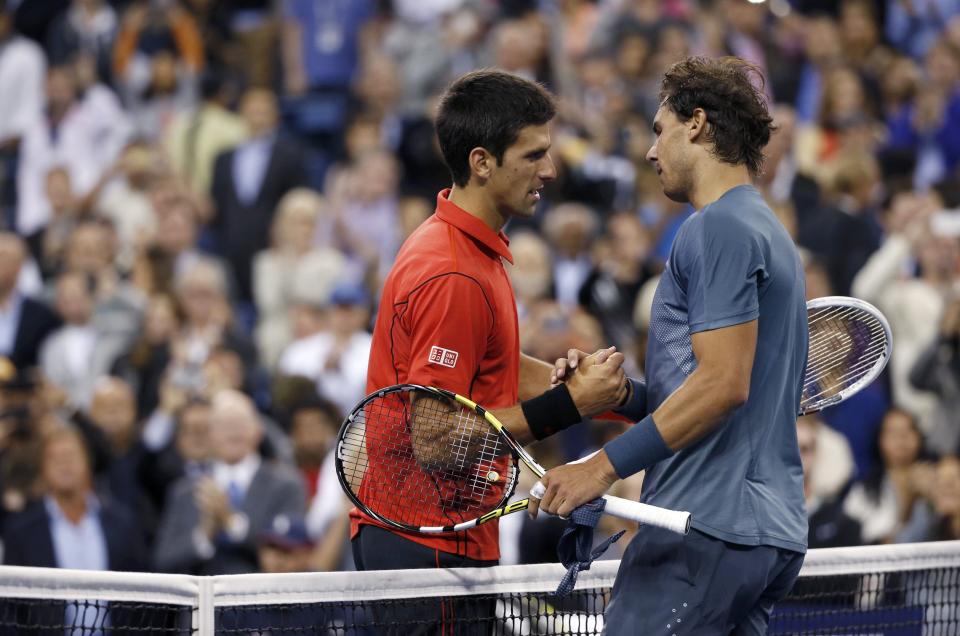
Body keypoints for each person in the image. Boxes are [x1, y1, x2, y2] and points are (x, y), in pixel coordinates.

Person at [537, 56, 809, 635]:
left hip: (702, 529)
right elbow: (727, 386)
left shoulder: (718, 228)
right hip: (759, 536)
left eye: (660, 130)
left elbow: (722, 387)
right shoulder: (766, 230)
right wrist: (613, 395)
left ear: (698, 125)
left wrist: (600, 467)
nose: (650, 151)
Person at [351, 69, 626, 590]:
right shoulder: (453, 272)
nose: (549, 169)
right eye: (533, 155)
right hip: (426, 543)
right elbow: (433, 437)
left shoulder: (466, 246)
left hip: (434, 537)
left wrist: (602, 394)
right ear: (482, 162)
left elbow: (493, 367)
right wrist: (570, 407)